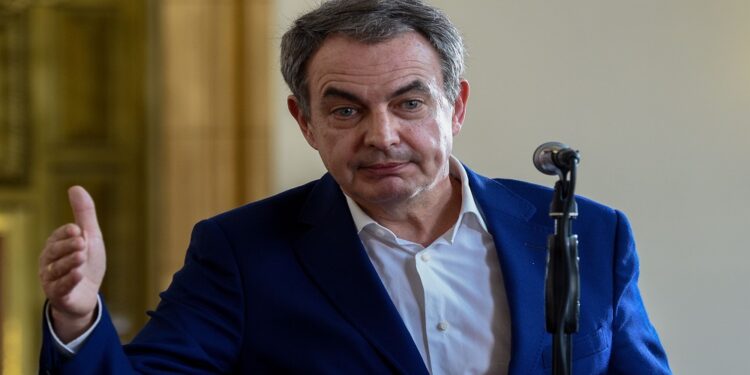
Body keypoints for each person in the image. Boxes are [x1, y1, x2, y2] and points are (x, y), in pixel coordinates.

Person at [38, 0, 671, 373]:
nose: (382, 135)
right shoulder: (240, 252)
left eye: (409, 104)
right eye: (346, 110)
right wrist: (77, 317)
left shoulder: (587, 230)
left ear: (456, 107)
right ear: (305, 121)